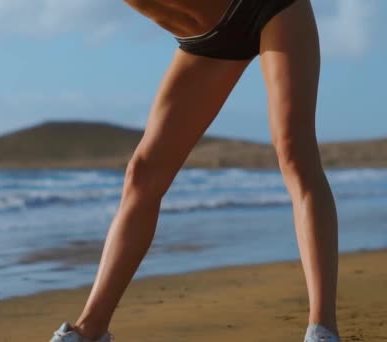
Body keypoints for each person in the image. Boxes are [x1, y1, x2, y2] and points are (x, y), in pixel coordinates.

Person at [48, 0, 340, 341]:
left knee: (294, 153)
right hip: (207, 41)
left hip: (268, 6)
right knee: (142, 175)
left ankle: (322, 328)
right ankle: (91, 329)